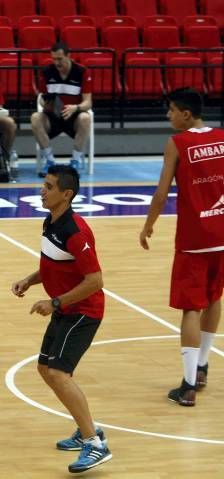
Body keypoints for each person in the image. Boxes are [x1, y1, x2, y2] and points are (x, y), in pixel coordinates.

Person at [11, 165, 112, 474]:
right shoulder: (51, 221)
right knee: (46, 368)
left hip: (83, 312)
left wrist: (54, 302)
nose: (43, 190)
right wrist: (30, 280)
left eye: (50, 186)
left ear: (66, 194)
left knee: (58, 373)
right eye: (44, 184)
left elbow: (95, 280)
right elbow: (54, 264)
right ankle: (86, 430)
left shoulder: (76, 231)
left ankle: (95, 444)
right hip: (64, 309)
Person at [139, 87, 224, 407]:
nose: (168, 116)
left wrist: (148, 224)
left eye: (172, 110)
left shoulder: (177, 143)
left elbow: (162, 193)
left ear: (186, 114)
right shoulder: (221, 137)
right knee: (215, 296)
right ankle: (202, 366)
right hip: (222, 232)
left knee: (191, 306)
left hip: (195, 237)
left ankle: (188, 385)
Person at [31, 42, 93, 177]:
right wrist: (45, 103)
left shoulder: (82, 72)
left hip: (73, 118)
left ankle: (75, 162)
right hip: (53, 118)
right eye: (54, 59)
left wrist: (75, 107)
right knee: (35, 117)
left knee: (86, 117)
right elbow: (42, 97)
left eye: (59, 59)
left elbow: (88, 103)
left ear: (68, 56)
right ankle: (50, 162)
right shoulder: (47, 72)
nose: (56, 63)